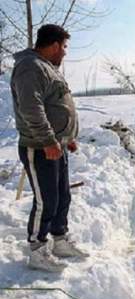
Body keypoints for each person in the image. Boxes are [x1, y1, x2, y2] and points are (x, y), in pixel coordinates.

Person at [10, 24, 87, 273]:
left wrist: (65, 137)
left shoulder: (47, 68)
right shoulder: (29, 67)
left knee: (62, 195)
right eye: (63, 47)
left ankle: (60, 240)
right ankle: (37, 250)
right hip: (40, 147)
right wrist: (48, 140)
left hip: (56, 145)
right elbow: (31, 108)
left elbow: (55, 105)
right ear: (53, 45)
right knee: (47, 200)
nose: (65, 52)